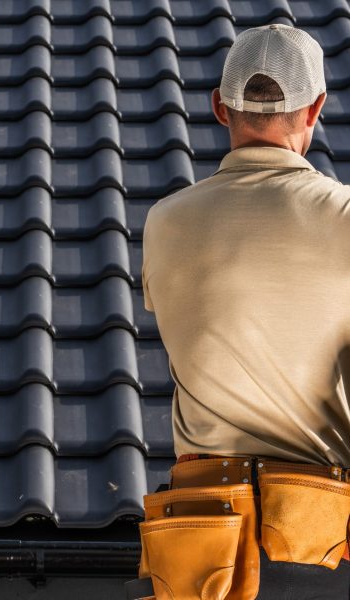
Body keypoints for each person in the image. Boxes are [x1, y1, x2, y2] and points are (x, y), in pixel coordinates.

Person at [136, 24, 350, 599]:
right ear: (316, 108)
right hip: (313, 536)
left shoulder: (164, 221)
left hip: (198, 543)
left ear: (218, 107)